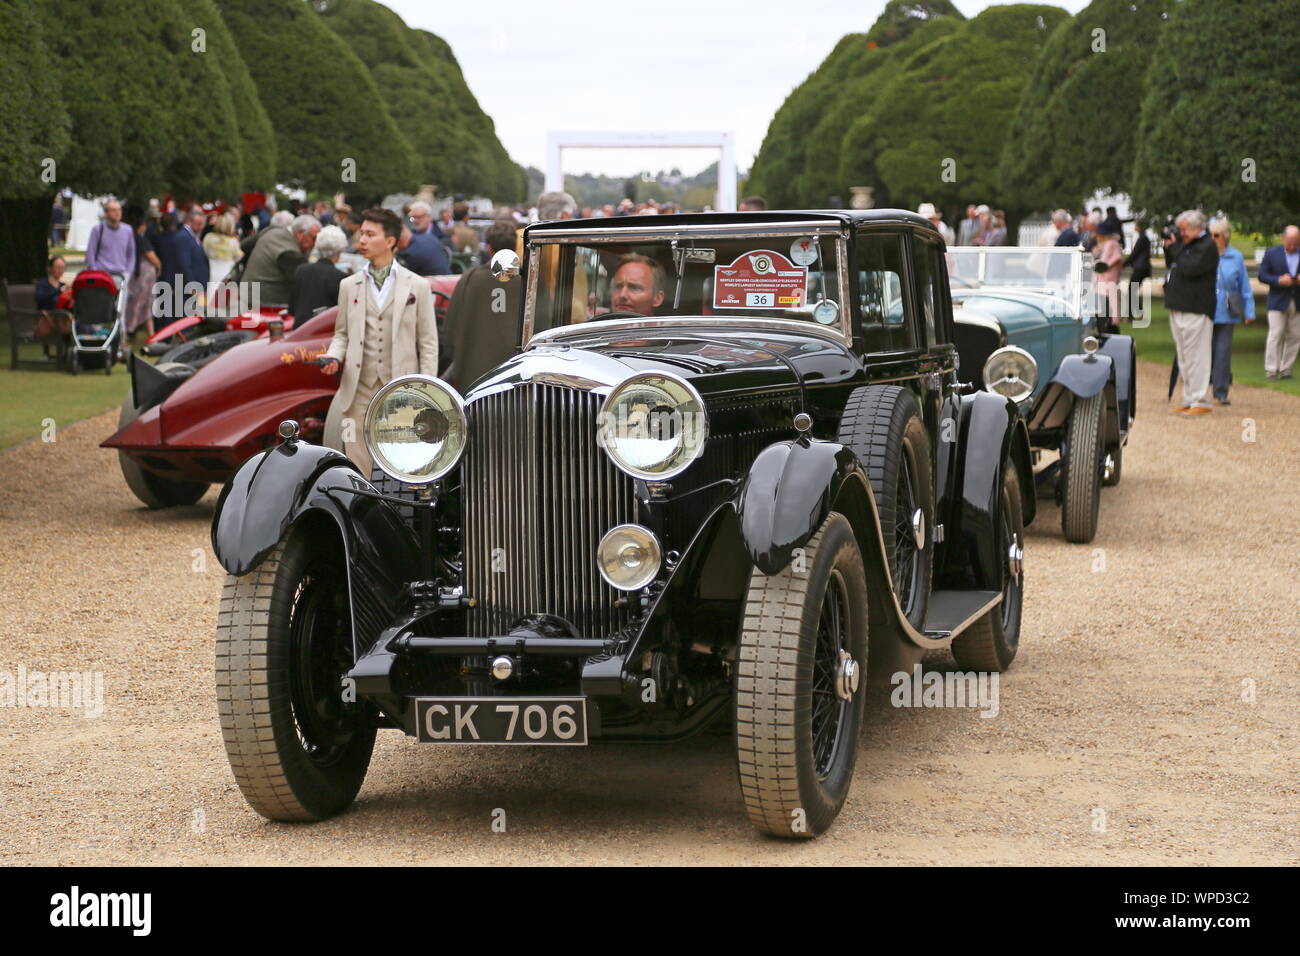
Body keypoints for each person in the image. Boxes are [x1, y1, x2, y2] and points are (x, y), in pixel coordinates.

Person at [320, 208, 438, 477]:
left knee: (402, 462)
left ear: (390, 242)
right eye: (361, 233)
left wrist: (427, 389)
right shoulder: (349, 285)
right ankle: (361, 513)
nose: (361, 239)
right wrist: (333, 356)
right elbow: (342, 334)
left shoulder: (417, 285)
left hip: (402, 389)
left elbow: (428, 343)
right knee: (358, 462)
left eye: (370, 234)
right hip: (358, 387)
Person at [441, 219, 521, 392]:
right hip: (517, 377)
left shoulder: (470, 278)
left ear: (489, 248)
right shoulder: (530, 280)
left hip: (475, 377)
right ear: (514, 248)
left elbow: (450, 329)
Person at [1163, 209, 1219, 416]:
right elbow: (1174, 264)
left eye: (1184, 229)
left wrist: (1176, 246)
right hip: (1179, 306)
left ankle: (1200, 399)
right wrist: (1171, 247)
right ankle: (1189, 396)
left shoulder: (1207, 246)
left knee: (1197, 356)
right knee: (1184, 357)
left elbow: (1190, 268)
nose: (1181, 233)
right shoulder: (1186, 246)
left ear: (1197, 228)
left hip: (1196, 308)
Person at [1207, 217, 1254, 405]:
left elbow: (1244, 286)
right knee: (1204, 354)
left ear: (1225, 236)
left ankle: (1221, 392)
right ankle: (1199, 392)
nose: (1212, 238)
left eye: (1216, 235)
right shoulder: (1205, 255)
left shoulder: (1236, 257)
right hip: (1205, 312)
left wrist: (1249, 311)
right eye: (1209, 235)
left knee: (1222, 354)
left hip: (1227, 314)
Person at [239, 214, 320, 307]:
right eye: (313, 238)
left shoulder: (272, 231)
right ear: (300, 233)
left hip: (248, 293)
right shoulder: (290, 252)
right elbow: (305, 284)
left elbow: (244, 246)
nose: (315, 244)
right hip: (266, 303)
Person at [1258, 225, 1300, 380]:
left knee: (1295, 336)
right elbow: (1262, 275)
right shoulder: (1272, 253)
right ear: (1283, 238)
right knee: (1275, 334)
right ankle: (1271, 369)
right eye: (1290, 242)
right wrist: (1278, 280)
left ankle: (1286, 369)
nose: (1292, 246)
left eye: (1296, 242)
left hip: (1297, 300)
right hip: (1277, 300)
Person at [288, 225, 347, 324]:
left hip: (299, 330)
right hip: (322, 334)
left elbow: (292, 309)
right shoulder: (341, 278)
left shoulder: (301, 270)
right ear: (340, 250)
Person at [124, 207, 161, 338]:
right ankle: (131, 329)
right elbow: (152, 258)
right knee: (142, 304)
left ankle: (150, 334)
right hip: (143, 278)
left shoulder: (129, 237)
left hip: (136, 275)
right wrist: (159, 266)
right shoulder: (140, 239)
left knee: (141, 305)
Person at [84, 199, 136, 278]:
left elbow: (131, 254)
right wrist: (94, 272)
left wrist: (128, 272)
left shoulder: (128, 230)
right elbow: (90, 254)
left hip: (121, 275)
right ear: (106, 213)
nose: (117, 213)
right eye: (114, 210)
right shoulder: (98, 230)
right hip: (101, 275)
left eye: (119, 210)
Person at [402, 200, 451, 276]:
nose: (416, 221)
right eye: (413, 217)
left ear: (429, 217)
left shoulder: (443, 236)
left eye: (419, 217)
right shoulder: (410, 237)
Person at [1091, 223, 1124, 332]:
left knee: (1106, 317)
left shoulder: (1111, 244)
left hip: (1107, 283)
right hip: (1105, 283)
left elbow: (1106, 262)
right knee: (1106, 315)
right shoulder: (1107, 244)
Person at [176, 205, 211, 306]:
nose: (201, 227)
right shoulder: (184, 237)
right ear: (190, 221)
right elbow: (184, 264)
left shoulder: (191, 236)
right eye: (199, 224)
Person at [202, 212, 242, 294]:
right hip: (227, 276)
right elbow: (239, 257)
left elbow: (203, 252)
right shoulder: (233, 242)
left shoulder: (208, 237)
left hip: (210, 274)